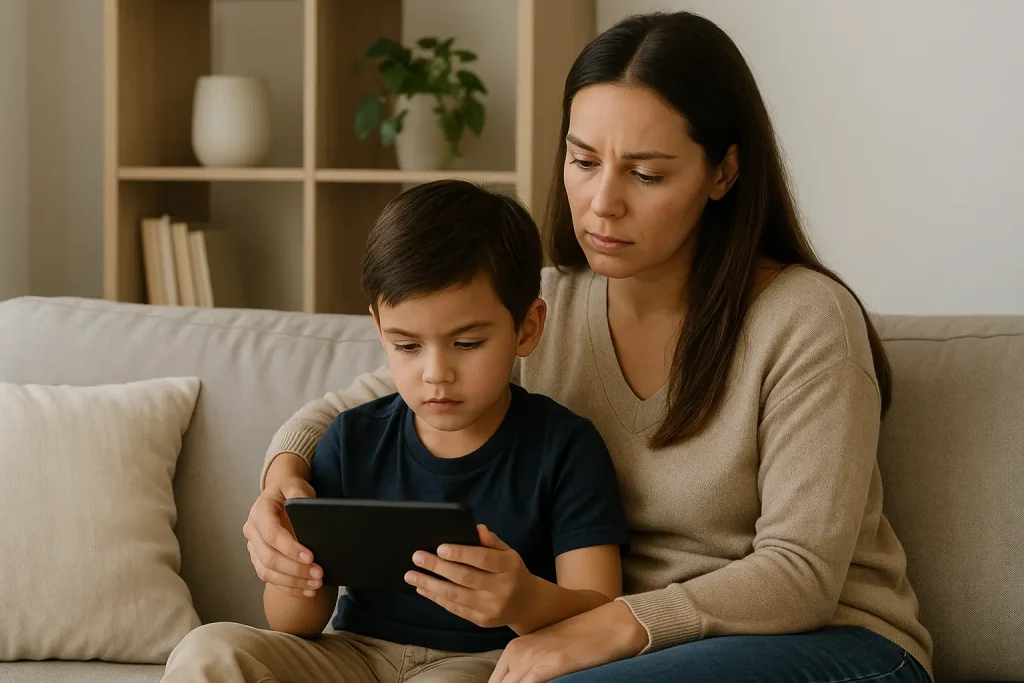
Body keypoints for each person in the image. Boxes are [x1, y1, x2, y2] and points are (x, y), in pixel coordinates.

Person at [245, 10, 934, 683]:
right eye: (583, 160)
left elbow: (801, 574)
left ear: (723, 172)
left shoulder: (805, 318)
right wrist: (284, 482)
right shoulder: (545, 304)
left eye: (647, 174)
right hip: (627, 647)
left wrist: (611, 625)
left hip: (829, 645)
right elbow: (355, 406)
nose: (603, 201)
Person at [161, 180, 631, 682]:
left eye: (467, 343)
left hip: (483, 663)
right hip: (354, 655)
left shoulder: (565, 448)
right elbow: (296, 624)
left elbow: (600, 610)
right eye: (407, 346)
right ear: (380, 330)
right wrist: (289, 570)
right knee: (208, 650)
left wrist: (524, 600)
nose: (435, 373)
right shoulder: (350, 440)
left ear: (527, 328)